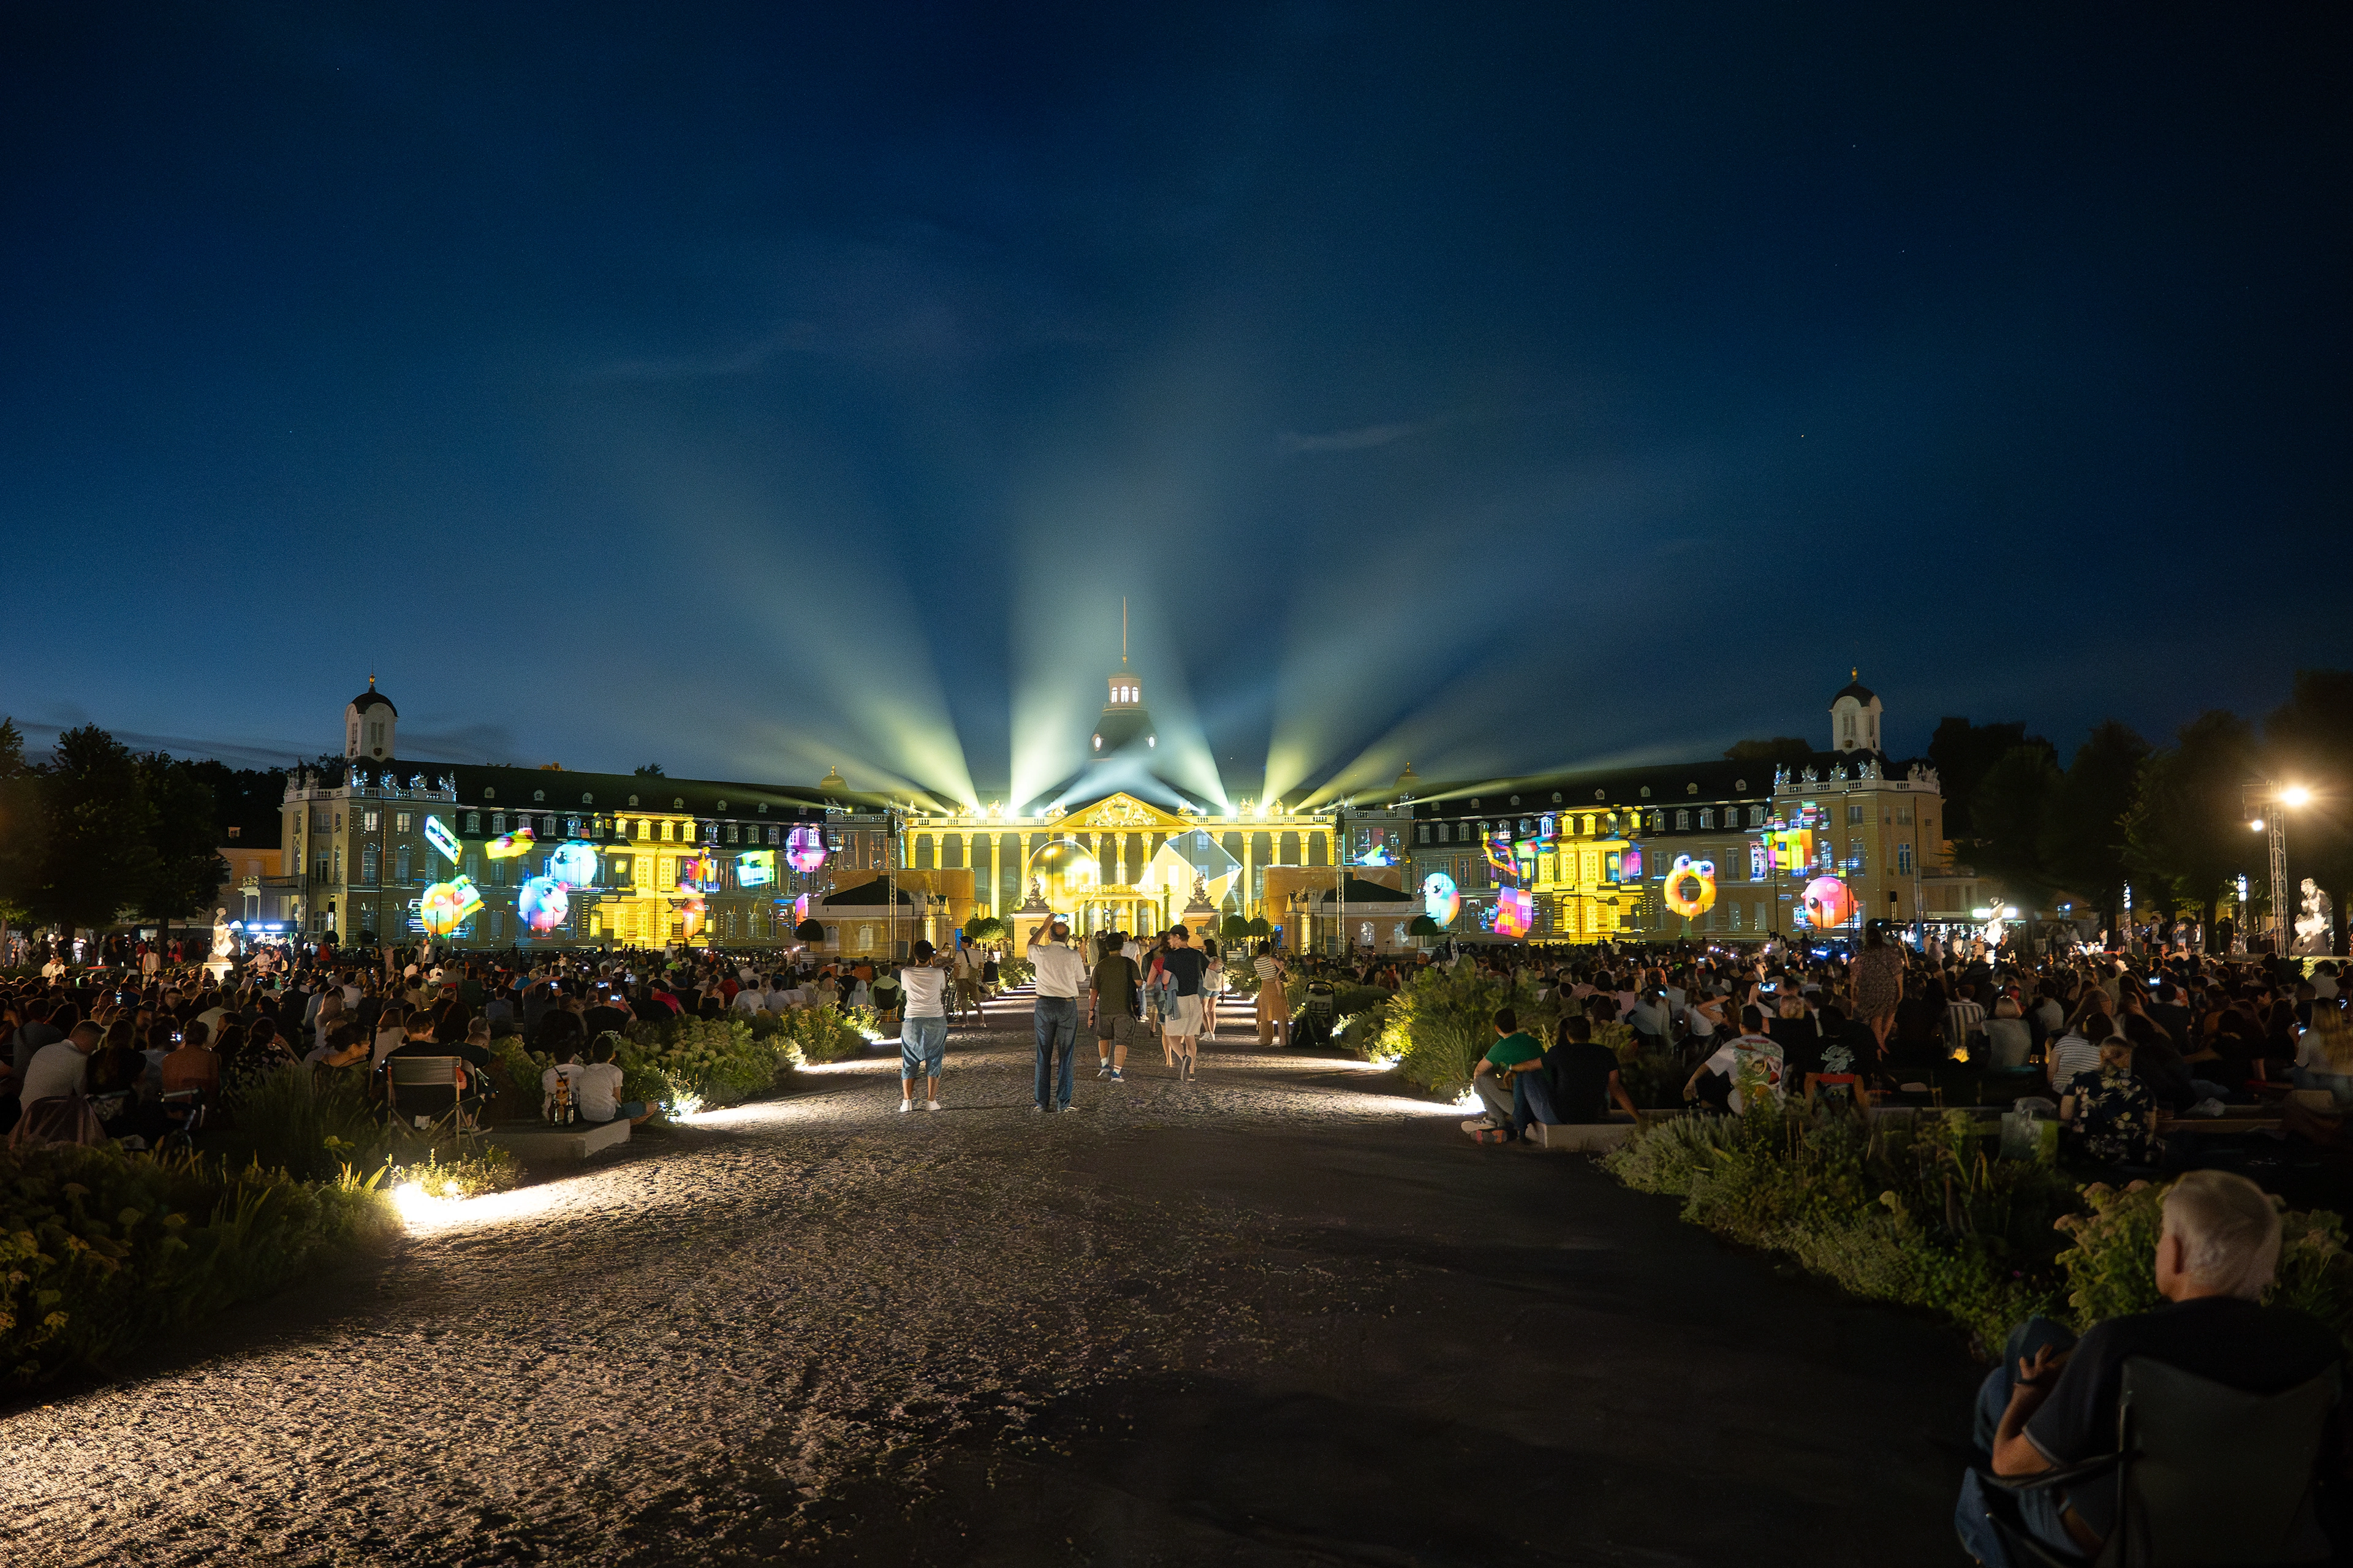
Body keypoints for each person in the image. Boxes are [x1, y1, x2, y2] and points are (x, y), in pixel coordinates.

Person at [1956, 1170, 2345, 1566]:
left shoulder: (2123, 1345)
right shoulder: (2319, 1346)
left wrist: (2029, 1396)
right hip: (2262, 1537)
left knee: (2000, 1387)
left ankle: (1987, 1548)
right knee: (2037, 1333)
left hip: (2124, 1534)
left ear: (2175, 1251)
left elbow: (2008, 1465)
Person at [2059, 1036, 2160, 1166]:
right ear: (2126, 1057)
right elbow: (2151, 1125)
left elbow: (2065, 1115)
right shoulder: (2139, 1085)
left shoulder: (2079, 1080)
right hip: (2132, 1153)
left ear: (2101, 1056)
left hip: (2088, 1152)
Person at [1026, 919, 1088, 1113]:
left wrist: (1043, 927)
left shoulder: (1041, 952)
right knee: (1066, 1056)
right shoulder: (1072, 955)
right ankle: (1063, 1102)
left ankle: (1041, 1103)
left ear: (1050, 935)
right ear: (1067, 937)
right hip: (1067, 1005)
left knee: (1043, 1055)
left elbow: (1030, 945)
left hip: (1044, 1004)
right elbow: (1081, 979)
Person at [1463, 1006, 1544, 1143]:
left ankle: (1496, 1120)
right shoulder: (1533, 1041)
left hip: (1521, 1106)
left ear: (1497, 1028)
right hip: (1540, 1098)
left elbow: (1479, 1071)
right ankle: (1502, 1121)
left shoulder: (1501, 1047)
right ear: (1515, 1023)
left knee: (1480, 1079)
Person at [1684, 1006, 1784, 1113]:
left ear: (1742, 1027)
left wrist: (1690, 1085)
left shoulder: (1733, 1046)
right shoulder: (1777, 1048)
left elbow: (1706, 1067)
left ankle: (1705, 1108)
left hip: (1747, 1105)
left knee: (1708, 1080)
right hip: (1776, 1103)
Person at [896, 940, 951, 1113]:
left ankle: (907, 1101)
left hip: (912, 1018)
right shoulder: (939, 973)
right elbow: (942, 989)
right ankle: (931, 1101)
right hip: (935, 1017)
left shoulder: (906, 973)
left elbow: (906, 990)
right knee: (935, 1060)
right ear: (930, 955)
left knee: (909, 1060)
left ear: (914, 955)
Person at [1158, 925, 1211, 1085]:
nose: (1169, 941)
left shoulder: (1172, 957)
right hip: (1194, 999)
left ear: (1177, 937)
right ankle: (1192, 1071)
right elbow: (1208, 969)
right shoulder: (1197, 955)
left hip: (1178, 1000)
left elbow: (1166, 980)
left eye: (1171, 938)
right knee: (1190, 1036)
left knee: (1171, 1035)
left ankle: (1183, 1058)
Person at [1089, 933, 1143, 1085]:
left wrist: (1091, 1011)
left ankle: (1105, 1066)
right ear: (1122, 946)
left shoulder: (1101, 965)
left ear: (1107, 947)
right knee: (1121, 1040)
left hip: (1105, 1007)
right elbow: (1139, 983)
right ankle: (1116, 1072)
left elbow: (1094, 991)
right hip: (1125, 1008)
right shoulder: (1129, 963)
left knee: (1104, 1037)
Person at [1851, 921, 1904, 1049]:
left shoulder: (1863, 956)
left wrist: (1852, 991)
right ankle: (1881, 1042)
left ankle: (1879, 1044)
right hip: (1887, 990)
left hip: (1868, 990)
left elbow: (1854, 975)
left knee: (1876, 1018)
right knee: (1888, 1013)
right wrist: (1900, 990)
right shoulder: (1890, 953)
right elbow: (1898, 973)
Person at [576, 1035, 648, 1125]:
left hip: (586, 1115)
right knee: (646, 1106)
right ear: (613, 1054)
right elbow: (618, 1099)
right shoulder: (615, 1071)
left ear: (592, 1053)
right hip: (608, 1115)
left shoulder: (585, 1071)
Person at [1253, 944, 1288, 1048]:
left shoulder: (1256, 963)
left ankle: (1265, 1040)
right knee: (1281, 1015)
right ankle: (1284, 1041)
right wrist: (1280, 972)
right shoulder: (1271, 959)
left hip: (1265, 988)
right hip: (1275, 986)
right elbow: (1282, 967)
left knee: (1265, 1016)